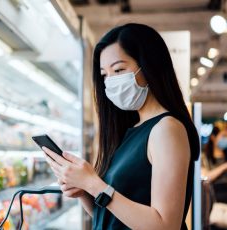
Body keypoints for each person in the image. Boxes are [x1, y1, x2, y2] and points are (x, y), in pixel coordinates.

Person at [42, 23, 200, 230]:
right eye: (105, 75)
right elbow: (116, 219)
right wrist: (84, 191)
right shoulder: (130, 131)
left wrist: (93, 184)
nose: (110, 82)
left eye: (118, 70)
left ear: (149, 66)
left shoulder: (167, 129)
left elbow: (165, 225)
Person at [202, 126, 227, 202]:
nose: (226, 139)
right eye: (224, 136)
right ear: (213, 137)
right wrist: (225, 166)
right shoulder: (204, 158)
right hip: (214, 202)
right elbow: (206, 176)